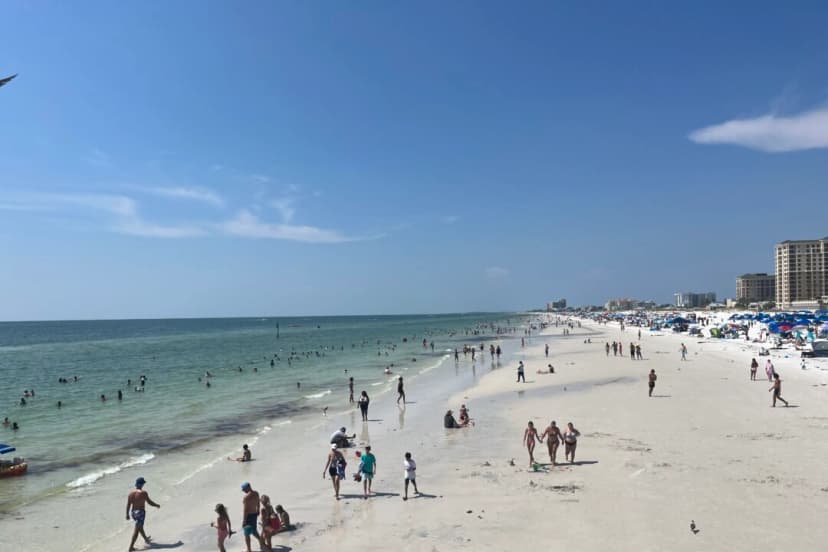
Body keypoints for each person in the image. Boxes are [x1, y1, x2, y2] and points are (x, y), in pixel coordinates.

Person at [126, 477, 160, 552]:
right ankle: (130, 548)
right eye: (143, 484)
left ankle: (146, 539)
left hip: (133, 513)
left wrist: (127, 515)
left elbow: (128, 505)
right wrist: (157, 505)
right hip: (140, 513)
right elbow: (149, 502)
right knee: (137, 530)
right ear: (141, 484)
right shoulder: (144, 493)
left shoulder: (131, 494)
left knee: (140, 527)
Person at [240, 482, 264, 552]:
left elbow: (246, 510)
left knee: (247, 534)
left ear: (248, 487)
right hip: (254, 514)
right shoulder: (256, 493)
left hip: (248, 516)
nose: (243, 491)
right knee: (254, 531)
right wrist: (258, 510)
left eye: (244, 489)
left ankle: (249, 549)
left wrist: (244, 521)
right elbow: (258, 503)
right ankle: (262, 543)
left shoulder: (246, 497)